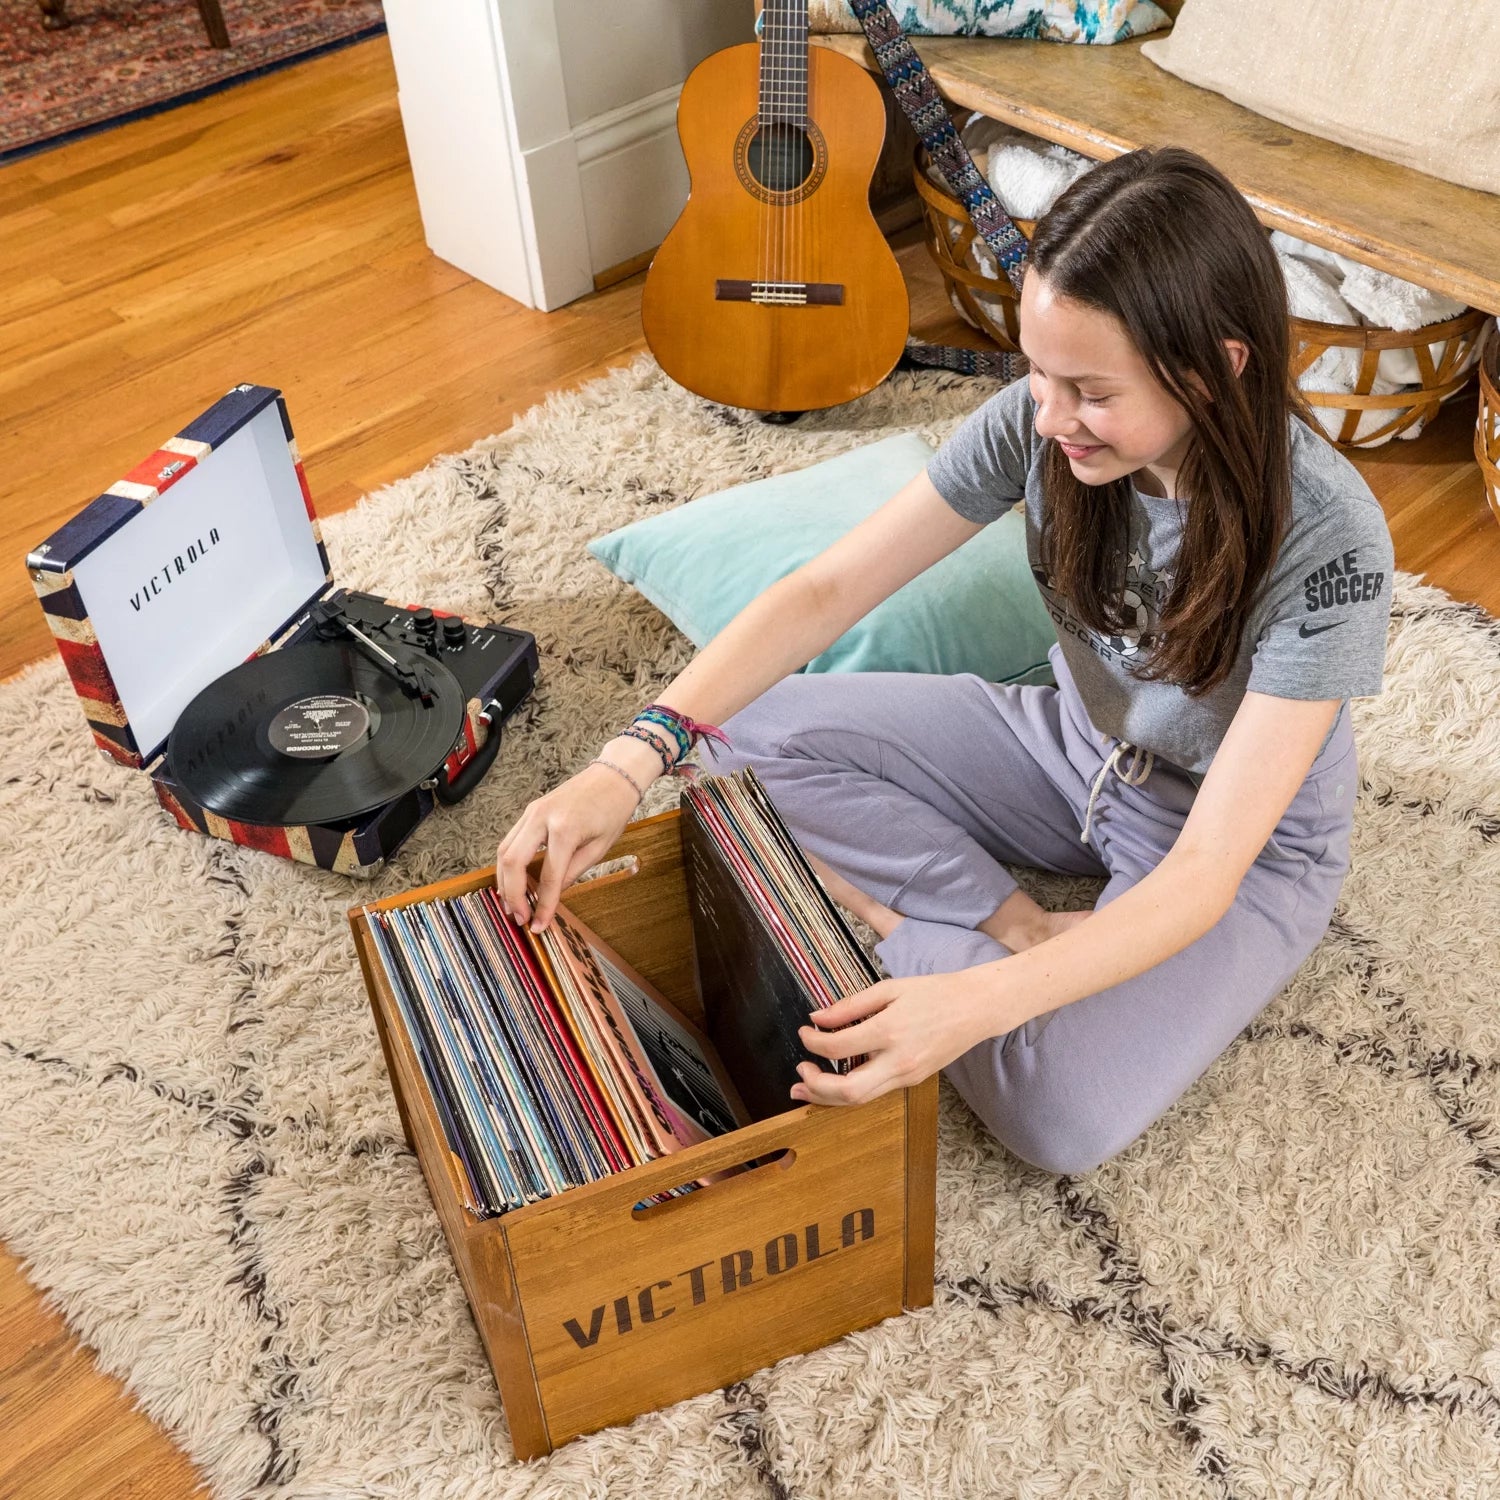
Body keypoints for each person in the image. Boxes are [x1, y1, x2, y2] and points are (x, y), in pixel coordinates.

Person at [496, 147, 1393, 1176]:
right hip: (1072, 746)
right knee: (732, 735)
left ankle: (899, 933)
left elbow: (1200, 877)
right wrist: (626, 762)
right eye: (1038, 372)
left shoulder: (1331, 540)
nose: (1047, 416)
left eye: (1090, 391)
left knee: (1058, 1116)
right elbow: (823, 593)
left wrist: (970, 1004)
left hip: (1241, 844)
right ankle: (1001, 920)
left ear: (1215, 367)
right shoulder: (1042, 425)